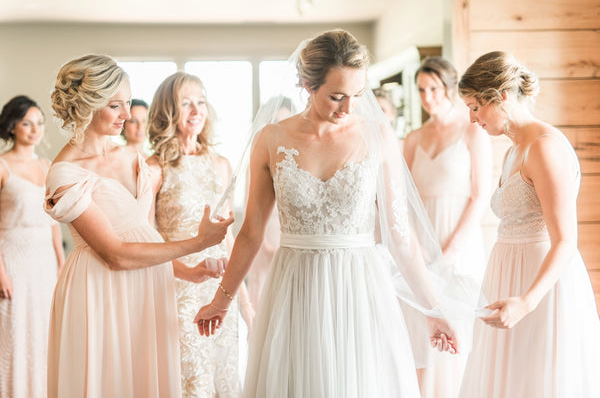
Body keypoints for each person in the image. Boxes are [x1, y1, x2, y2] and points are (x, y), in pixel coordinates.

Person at [194, 30, 476, 398]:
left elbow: (401, 240)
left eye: (357, 96)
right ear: (308, 85)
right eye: (336, 97)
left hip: (359, 287)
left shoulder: (378, 136)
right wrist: (221, 300)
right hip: (295, 287)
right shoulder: (272, 139)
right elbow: (251, 234)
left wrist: (433, 309)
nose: (348, 109)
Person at [44, 54, 233, 398]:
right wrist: (198, 242)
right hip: (100, 290)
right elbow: (115, 254)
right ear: (87, 105)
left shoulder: (134, 157)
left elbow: (145, 238)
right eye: (115, 105)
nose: (128, 115)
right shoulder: (65, 173)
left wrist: (189, 272)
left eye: (128, 103)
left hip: (149, 288)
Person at [457, 51, 600, 398]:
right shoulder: (512, 150)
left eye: (476, 106)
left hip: (540, 287)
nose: (473, 118)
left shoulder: (545, 147)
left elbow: (566, 240)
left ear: (502, 96)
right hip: (506, 276)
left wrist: (526, 301)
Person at [147, 71, 254, 398]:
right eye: (186, 103)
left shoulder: (219, 163)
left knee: (224, 377)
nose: (196, 110)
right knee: (191, 382)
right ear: (168, 110)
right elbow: (148, 240)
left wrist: (244, 302)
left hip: (220, 287)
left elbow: (230, 236)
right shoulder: (154, 167)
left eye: (201, 102)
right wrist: (185, 272)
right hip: (176, 288)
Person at [402, 57, 492, 398]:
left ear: (450, 88)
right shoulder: (413, 139)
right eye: (422, 90)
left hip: (460, 240)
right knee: (423, 326)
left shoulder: (472, 131)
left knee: (458, 326)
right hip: (421, 245)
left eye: (435, 89)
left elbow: (480, 195)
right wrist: (417, 246)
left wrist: (452, 250)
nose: (428, 97)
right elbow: (404, 201)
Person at [0, 95, 65, 398]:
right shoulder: (2, 165)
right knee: (14, 331)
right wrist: (1, 273)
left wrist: (62, 265)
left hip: (44, 264)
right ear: (12, 126)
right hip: (13, 260)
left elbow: (55, 223)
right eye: (27, 122)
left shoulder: (48, 165)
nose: (35, 129)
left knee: (43, 333)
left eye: (39, 123)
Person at [245, 96, 294, 307]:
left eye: (286, 120)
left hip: (289, 233)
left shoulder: (297, 151)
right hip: (267, 233)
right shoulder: (260, 150)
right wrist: (264, 245)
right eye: (276, 120)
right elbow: (251, 203)